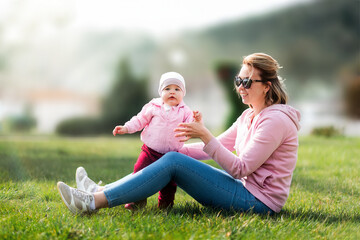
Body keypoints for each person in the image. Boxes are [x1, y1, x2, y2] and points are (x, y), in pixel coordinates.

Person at [57, 53, 301, 215]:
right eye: (239, 80)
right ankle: (99, 191)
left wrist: (204, 135)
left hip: (260, 203)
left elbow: (240, 168)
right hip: (244, 188)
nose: (240, 87)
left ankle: (92, 202)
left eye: (248, 82)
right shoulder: (248, 116)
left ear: (267, 86)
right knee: (172, 156)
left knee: (173, 160)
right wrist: (178, 150)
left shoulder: (275, 121)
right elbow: (219, 145)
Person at [110, 71, 195, 210]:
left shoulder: (185, 111)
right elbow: (140, 119)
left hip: (171, 156)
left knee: (169, 183)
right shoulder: (154, 106)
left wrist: (196, 121)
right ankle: (136, 200)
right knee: (139, 174)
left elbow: (191, 126)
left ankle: (165, 206)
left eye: (177, 89)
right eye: (167, 89)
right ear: (161, 92)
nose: (172, 92)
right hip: (150, 151)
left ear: (183, 93)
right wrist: (126, 128)